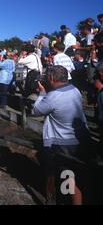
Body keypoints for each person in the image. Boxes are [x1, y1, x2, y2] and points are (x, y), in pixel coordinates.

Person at [33, 65, 91, 205]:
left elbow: (36, 110)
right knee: (75, 177)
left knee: (68, 178)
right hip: (80, 138)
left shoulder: (53, 96)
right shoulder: (75, 89)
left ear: (52, 78)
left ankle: (64, 201)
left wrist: (42, 93)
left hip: (64, 143)